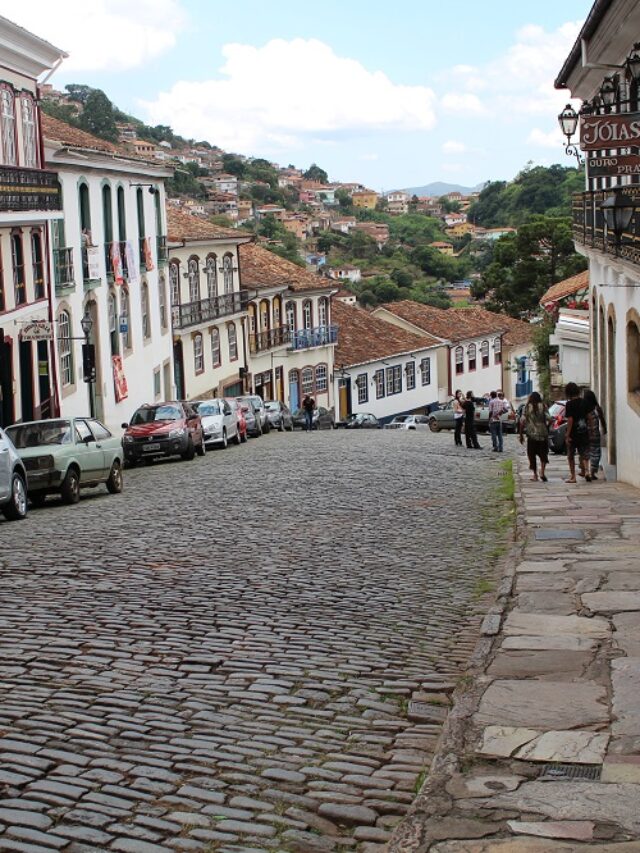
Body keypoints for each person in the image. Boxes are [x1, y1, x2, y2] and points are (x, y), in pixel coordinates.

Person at [519, 391, 550, 482]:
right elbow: (550, 418)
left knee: (531, 455)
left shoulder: (527, 407)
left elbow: (522, 421)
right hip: (543, 434)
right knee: (543, 454)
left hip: (531, 435)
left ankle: (535, 475)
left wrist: (521, 435)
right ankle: (542, 472)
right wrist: (546, 426)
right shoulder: (544, 406)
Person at [564, 382, 589, 483]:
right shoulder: (584, 402)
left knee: (571, 455)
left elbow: (570, 420)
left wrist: (567, 434)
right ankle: (587, 471)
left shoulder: (569, 404)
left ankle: (573, 477)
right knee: (583, 453)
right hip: (583, 431)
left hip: (573, 433)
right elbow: (589, 417)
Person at [583, 389, 607, 481]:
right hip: (595, 434)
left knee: (586, 452)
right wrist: (605, 429)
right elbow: (602, 419)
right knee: (596, 453)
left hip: (586, 433)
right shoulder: (597, 408)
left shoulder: (584, 409)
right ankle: (592, 472)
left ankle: (586, 471)